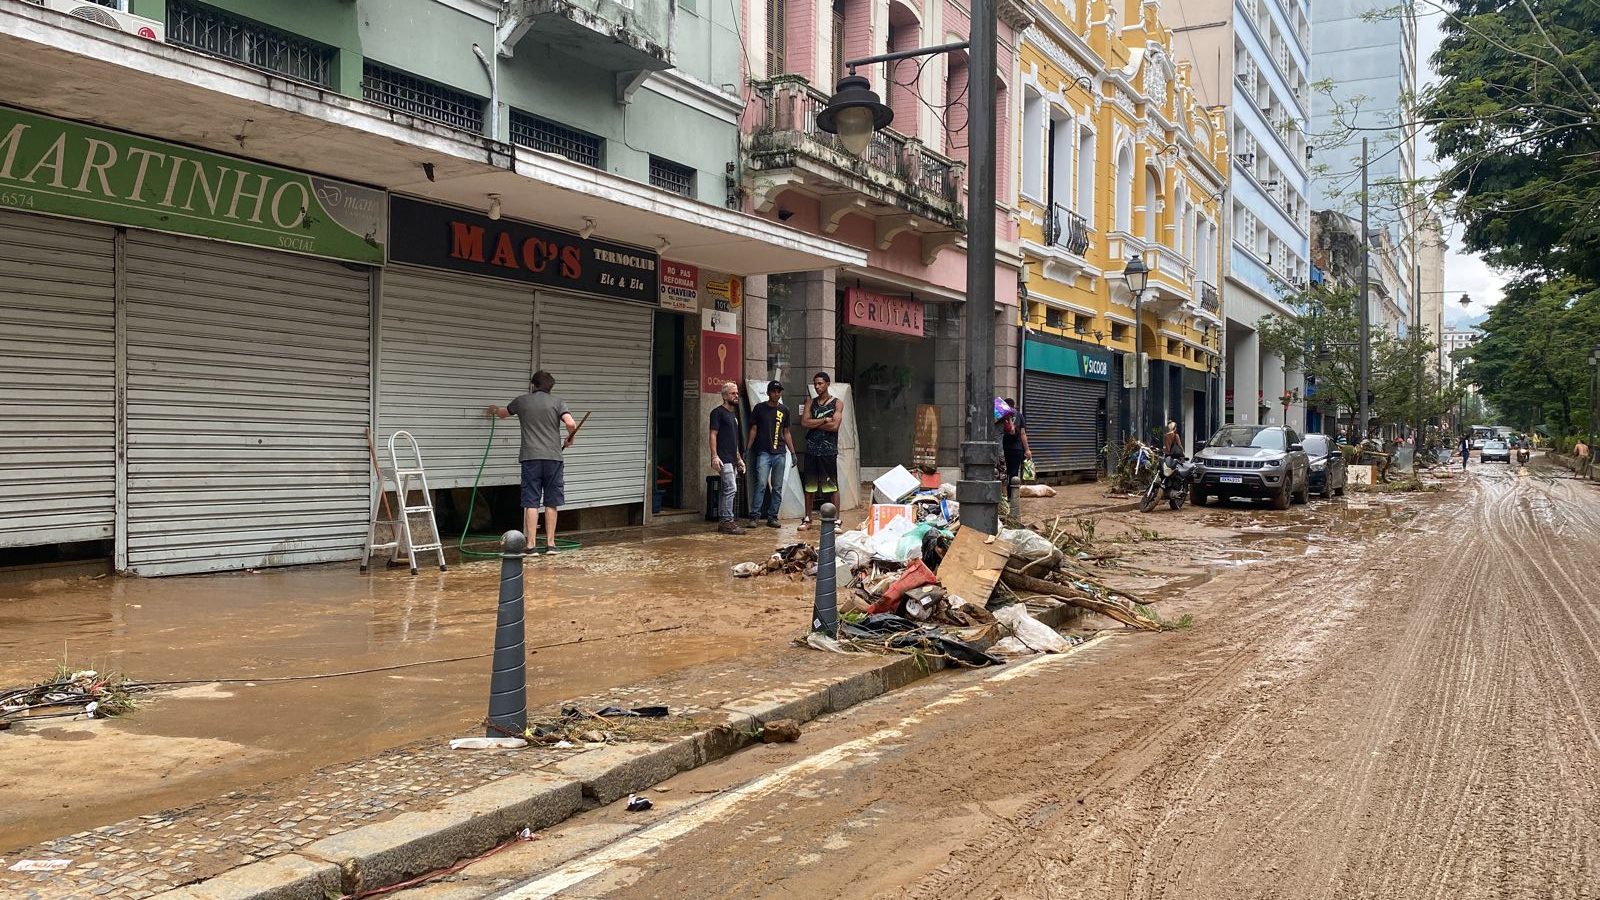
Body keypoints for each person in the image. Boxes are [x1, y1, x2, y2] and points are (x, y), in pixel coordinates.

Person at [487, 370, 578, 552]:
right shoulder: (558, 402)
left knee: (531, 501)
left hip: (531, 458)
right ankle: (551, 545)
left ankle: (531, 546)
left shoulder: (522, 401)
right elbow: (570, 423)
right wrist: (570, 438)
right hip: (553, 458)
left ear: (533, 385)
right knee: (552, 502)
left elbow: (504, 413)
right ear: (550, 387)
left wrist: (494, 410)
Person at [745, 380, 795, 528]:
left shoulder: (784, 410)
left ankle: (772, 516)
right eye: (774, 391)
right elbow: (753, 429)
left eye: (779, 391)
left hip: (780, 452)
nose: (776, 394)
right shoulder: (759, 409)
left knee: (777, 487)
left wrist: (792, 452)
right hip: (763, 452)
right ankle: (754, 516)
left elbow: (786, 432)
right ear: (768, 393)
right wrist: (748, 448)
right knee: (760, 484)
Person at [799, 371, 843, 529]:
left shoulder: (837, 403)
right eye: (815, 384)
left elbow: (835, 426)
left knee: (831, 486)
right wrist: (824, 419)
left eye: (820, 383)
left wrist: (814, 423)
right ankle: (807, 518)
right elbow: (804, 422)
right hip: (811, 450)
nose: (817, 387)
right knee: (809, 487)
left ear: (827, 384)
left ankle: (836, 520)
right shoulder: (810, 402)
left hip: (828, 451)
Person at [709, 382, 747, 535]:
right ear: (725, 396)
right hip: (723, 458)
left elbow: (734, 440)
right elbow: (713, 434)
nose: (736, 396)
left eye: (737, 393)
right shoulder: (717, 413)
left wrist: (739, 459)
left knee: (728, 489)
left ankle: (726, 520)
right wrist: (714, 456)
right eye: (733, 393)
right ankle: (726, 521)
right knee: (731, 488)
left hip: (731, 457)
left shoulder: (733, 415)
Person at [1000, 397, 1032, 484]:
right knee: (1013, 473)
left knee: (1003, 472)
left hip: (1004, 448)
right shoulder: (1019, 415)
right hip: (1016, 449)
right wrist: (1027, 450)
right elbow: (1023, 434)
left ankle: (1006, 495)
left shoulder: (1000, 416)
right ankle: (1011, 495)